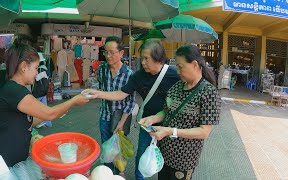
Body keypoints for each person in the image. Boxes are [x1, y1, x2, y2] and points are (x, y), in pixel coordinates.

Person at [0, 41, 90, 179]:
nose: (36, 73)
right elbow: (49, 113)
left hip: (14, 160)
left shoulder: (16, 90)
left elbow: (28, 120)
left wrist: (60, 111)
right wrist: (74, 101)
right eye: (35, 68)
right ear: (23, 67)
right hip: (1, 161)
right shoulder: (14, 90)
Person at [82, 40, 180, 180]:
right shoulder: (138, 76)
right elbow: (121, 94)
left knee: (167, 159)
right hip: (148, 124)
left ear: (158, 58)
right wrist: (98, 93)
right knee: (141, 155)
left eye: (146, 58)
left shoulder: (174, 75)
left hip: (169, 124)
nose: (143, 62)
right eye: (142, 58)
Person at [139, 45, 221, 180]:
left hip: (184, 159)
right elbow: (167, 111)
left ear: (194, 64)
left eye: (180, 66)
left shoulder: (209, 93)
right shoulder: (177, 86)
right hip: (164, 154)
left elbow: (204, 132)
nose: (177, 71)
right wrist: (152, 118)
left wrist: (170, 131)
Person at [96, 36, 135, 174]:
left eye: (112, 52)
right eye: (106, 52)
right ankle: (107, 173)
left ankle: (120, 173)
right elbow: (101, 88)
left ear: (121, 53)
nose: (108, 56)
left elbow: (131, 102)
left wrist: (122, 122)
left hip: (120, 119)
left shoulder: (129, 74)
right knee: (107, 148)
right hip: (104, 115)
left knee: (118, 148)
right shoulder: (102, 69)